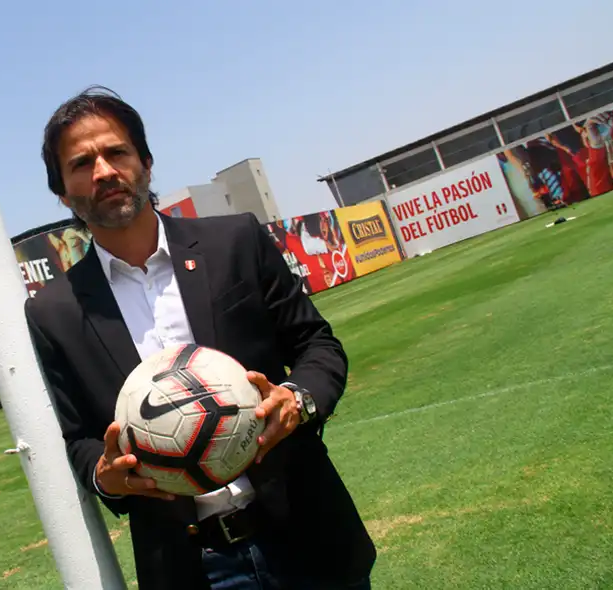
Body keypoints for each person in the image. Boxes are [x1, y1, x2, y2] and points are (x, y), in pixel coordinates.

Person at [24, 86, 375, 590]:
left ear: (145, 162)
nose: (104, 172)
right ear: (62, 191)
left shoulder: (235, 241)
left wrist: (297, 399)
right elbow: (78, 436)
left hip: (308, 535)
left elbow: (318, 345)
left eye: (116, 152)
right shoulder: (53, 312)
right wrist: (106, 476)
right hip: (192, 569)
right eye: (81, 163)